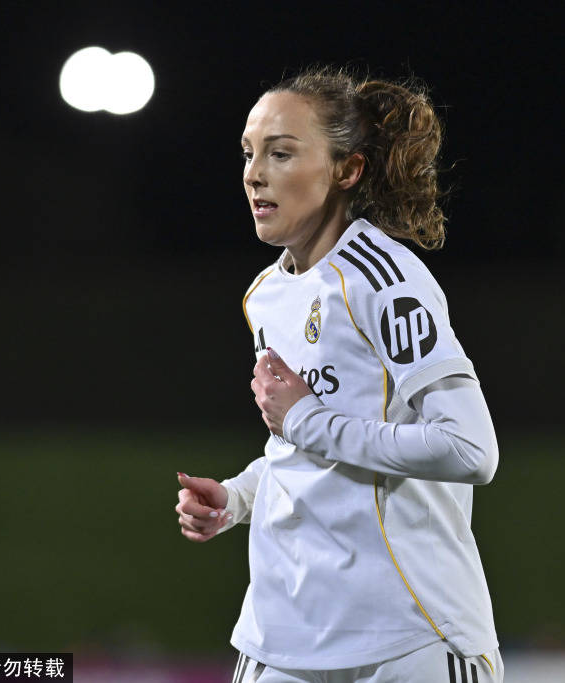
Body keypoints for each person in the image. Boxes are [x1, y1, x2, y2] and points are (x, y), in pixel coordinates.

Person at [175, 66, 503, 683]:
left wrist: (306, 419)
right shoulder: (266, 295)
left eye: (280, 153)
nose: (254, 174)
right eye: (248, 153)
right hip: (282, 636)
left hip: (406, 638)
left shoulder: (387, 281)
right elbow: (300, 446)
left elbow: (469, 449)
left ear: (346, 170)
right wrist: (238, 497)